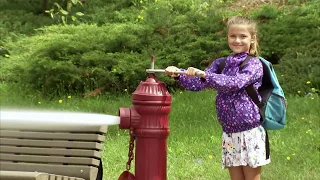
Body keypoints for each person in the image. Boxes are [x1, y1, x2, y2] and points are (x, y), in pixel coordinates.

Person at [165, 16, 270, 180]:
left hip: (250, 133)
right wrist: (178, 73)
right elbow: (198, 84)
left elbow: (235, 83)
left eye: (243, 36)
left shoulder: (254, 64)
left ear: (252, 38)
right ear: (227, 37)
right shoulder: (221, 63)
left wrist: (206, 75)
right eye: (233, 36)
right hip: (228, 133)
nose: (237, 40)